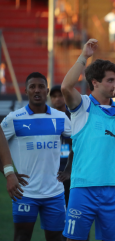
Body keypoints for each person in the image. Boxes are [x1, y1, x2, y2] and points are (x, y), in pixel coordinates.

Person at [61, 39, 115, 241]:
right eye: (110, 80)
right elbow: (66, 86)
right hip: (83, 188)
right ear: (95, 83)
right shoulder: (83, 105)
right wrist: (83, 57)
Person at [1, 72, 72, 241]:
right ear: (26, 90)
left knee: (56, 238)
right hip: (25, 192)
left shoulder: (60, 117)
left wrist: (69, 169)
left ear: (46, 90)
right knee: (22, 237)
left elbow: (78, 142)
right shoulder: (14, 118)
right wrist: (8, 173)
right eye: (32, 86)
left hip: (54, 192)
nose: (37, 90)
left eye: (41, 86)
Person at [49, 85, 73, 207]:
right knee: (53, 207)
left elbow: (77, 145)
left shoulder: (74, 117)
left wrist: (69, 170)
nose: (57, 99)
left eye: (60, 95)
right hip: (50, 168)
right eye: (54, 96)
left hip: (70, 168)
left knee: (69, 205)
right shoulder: (47, 118)